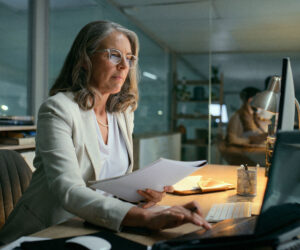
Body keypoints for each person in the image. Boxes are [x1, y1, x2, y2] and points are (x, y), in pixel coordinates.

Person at [0, 21, 211, 245]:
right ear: (84, 59)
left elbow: (110, 186)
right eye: (113, 55)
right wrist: (145, 217)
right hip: (47, 232)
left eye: (129, 58)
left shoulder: (123, 113)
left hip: (96, 228)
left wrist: (144, 194)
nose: (124, 66)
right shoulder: (58, 109)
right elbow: (68, 189)